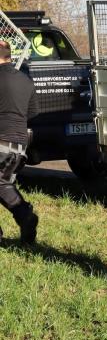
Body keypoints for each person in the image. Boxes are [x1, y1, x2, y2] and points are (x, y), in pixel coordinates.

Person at [0, 40, 39, 243]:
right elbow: (32, 112)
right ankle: (26, 216)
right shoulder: (26, 80)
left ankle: (25, 215)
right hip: (20, 145)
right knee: (3, 185)